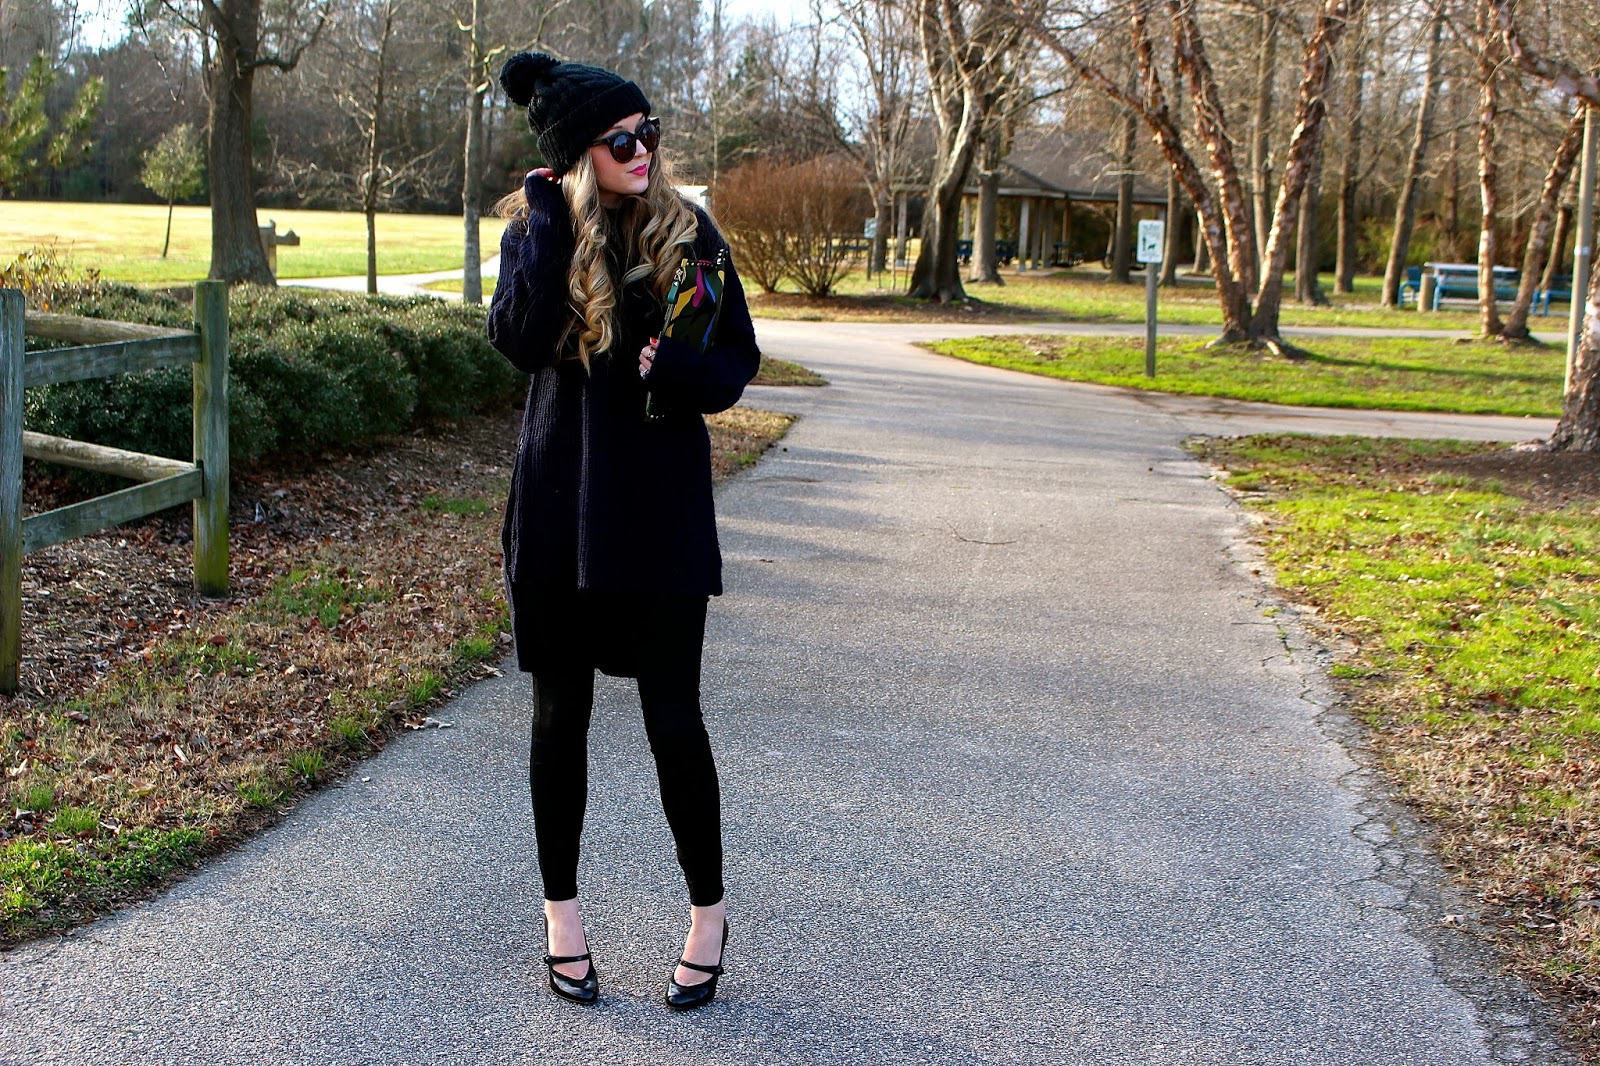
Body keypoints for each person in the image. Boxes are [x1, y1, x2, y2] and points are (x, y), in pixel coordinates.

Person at [486, 51, 760, 1012]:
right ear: (577, 155)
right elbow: (517, 340)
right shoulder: (540, 233)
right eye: (619, 140)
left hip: (658, 518)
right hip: (559, 514)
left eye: (649, 133)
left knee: (674, 719)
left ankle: (708, 917)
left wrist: (674, 370)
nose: (642, 150)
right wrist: (549, 222)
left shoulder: (691, 232)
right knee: (558, 718)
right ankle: (561, 920)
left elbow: (737, 360)